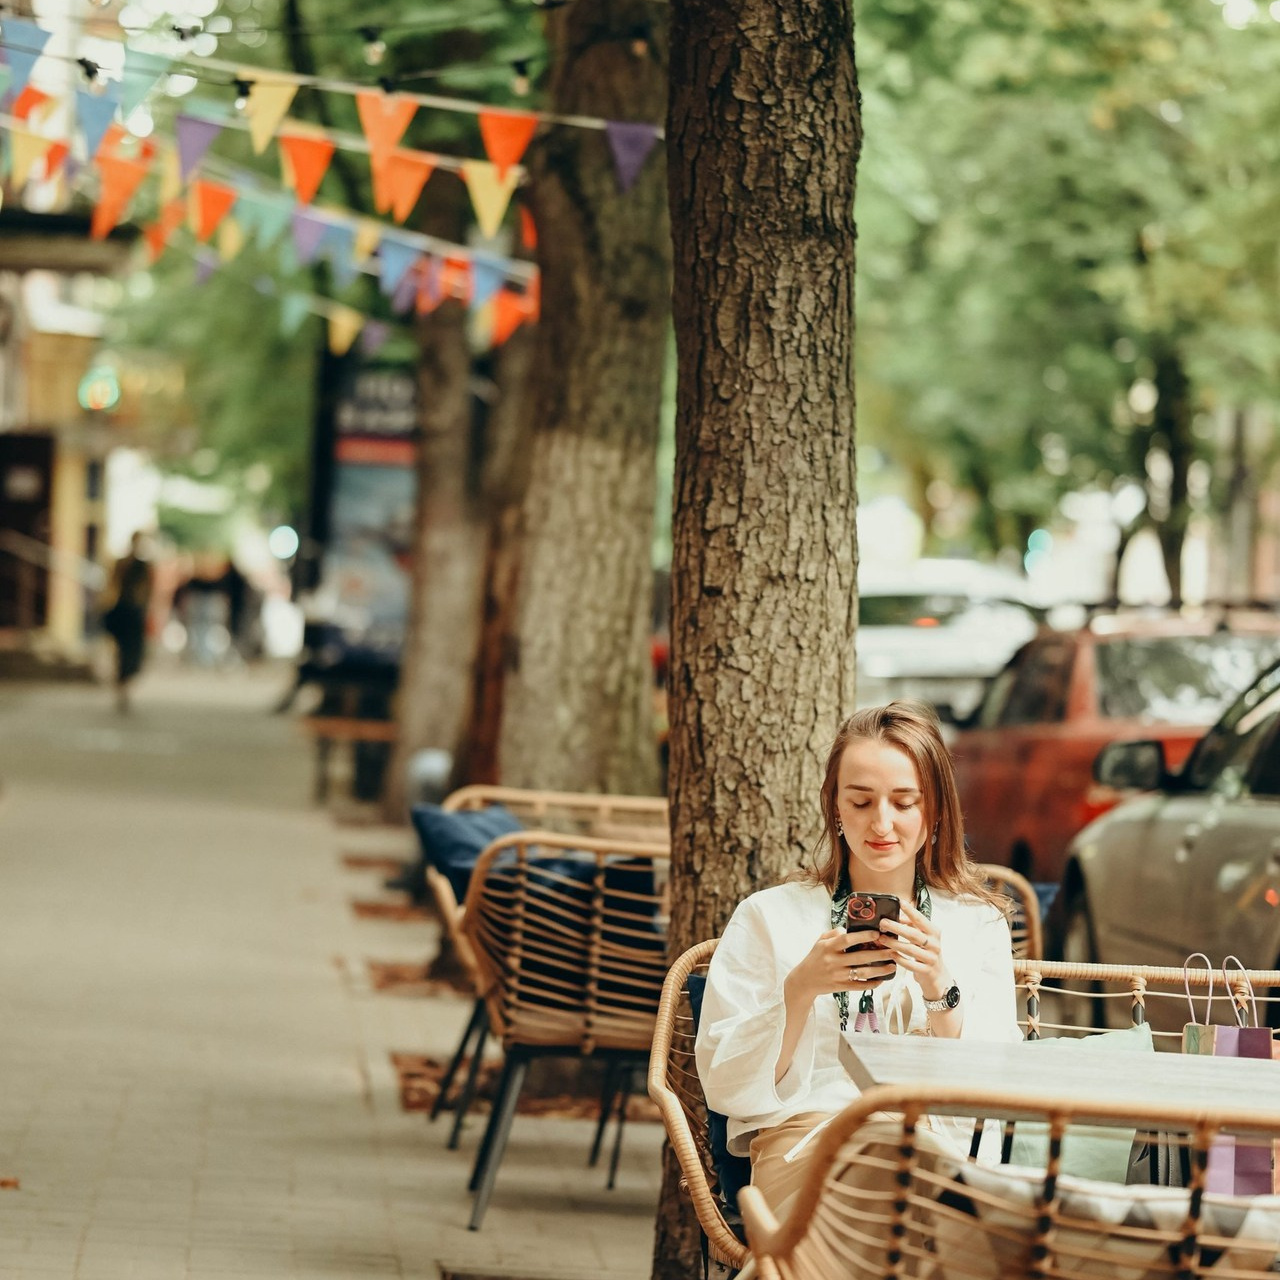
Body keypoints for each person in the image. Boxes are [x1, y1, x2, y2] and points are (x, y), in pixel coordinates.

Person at [695, 700, 1021, 1227]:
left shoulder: (977, 924)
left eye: (905, 802)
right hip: (809, 1147)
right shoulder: (768, 916)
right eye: (862, 801)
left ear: (935, 810)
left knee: (916, 1183)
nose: (882, 823)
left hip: (938, 1150)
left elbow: (997, 1088)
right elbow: (726, 1085)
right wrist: (800, 990)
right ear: (835, 806)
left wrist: (940, 989)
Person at [102, 532, 154, 714]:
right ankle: (122, 685)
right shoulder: (127, 564)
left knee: (129, 651)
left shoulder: (139, 565)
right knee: (125, 651)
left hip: (131, 611)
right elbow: (114, 585)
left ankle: (124, 685)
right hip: (127, 610)